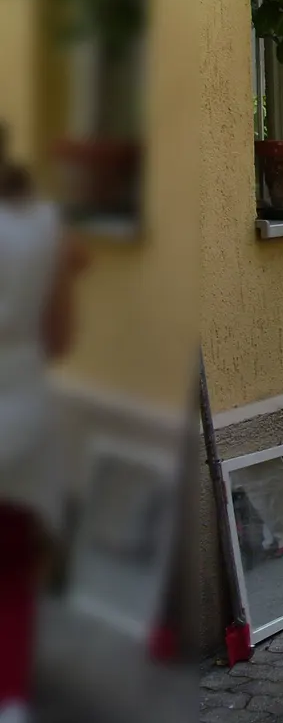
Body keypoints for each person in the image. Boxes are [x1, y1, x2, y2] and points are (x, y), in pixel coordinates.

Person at [0, 133, 86, 723]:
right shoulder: (44, 227)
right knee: (12, 568)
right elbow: (59, 338)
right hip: (23, 406)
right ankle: (12, 700)